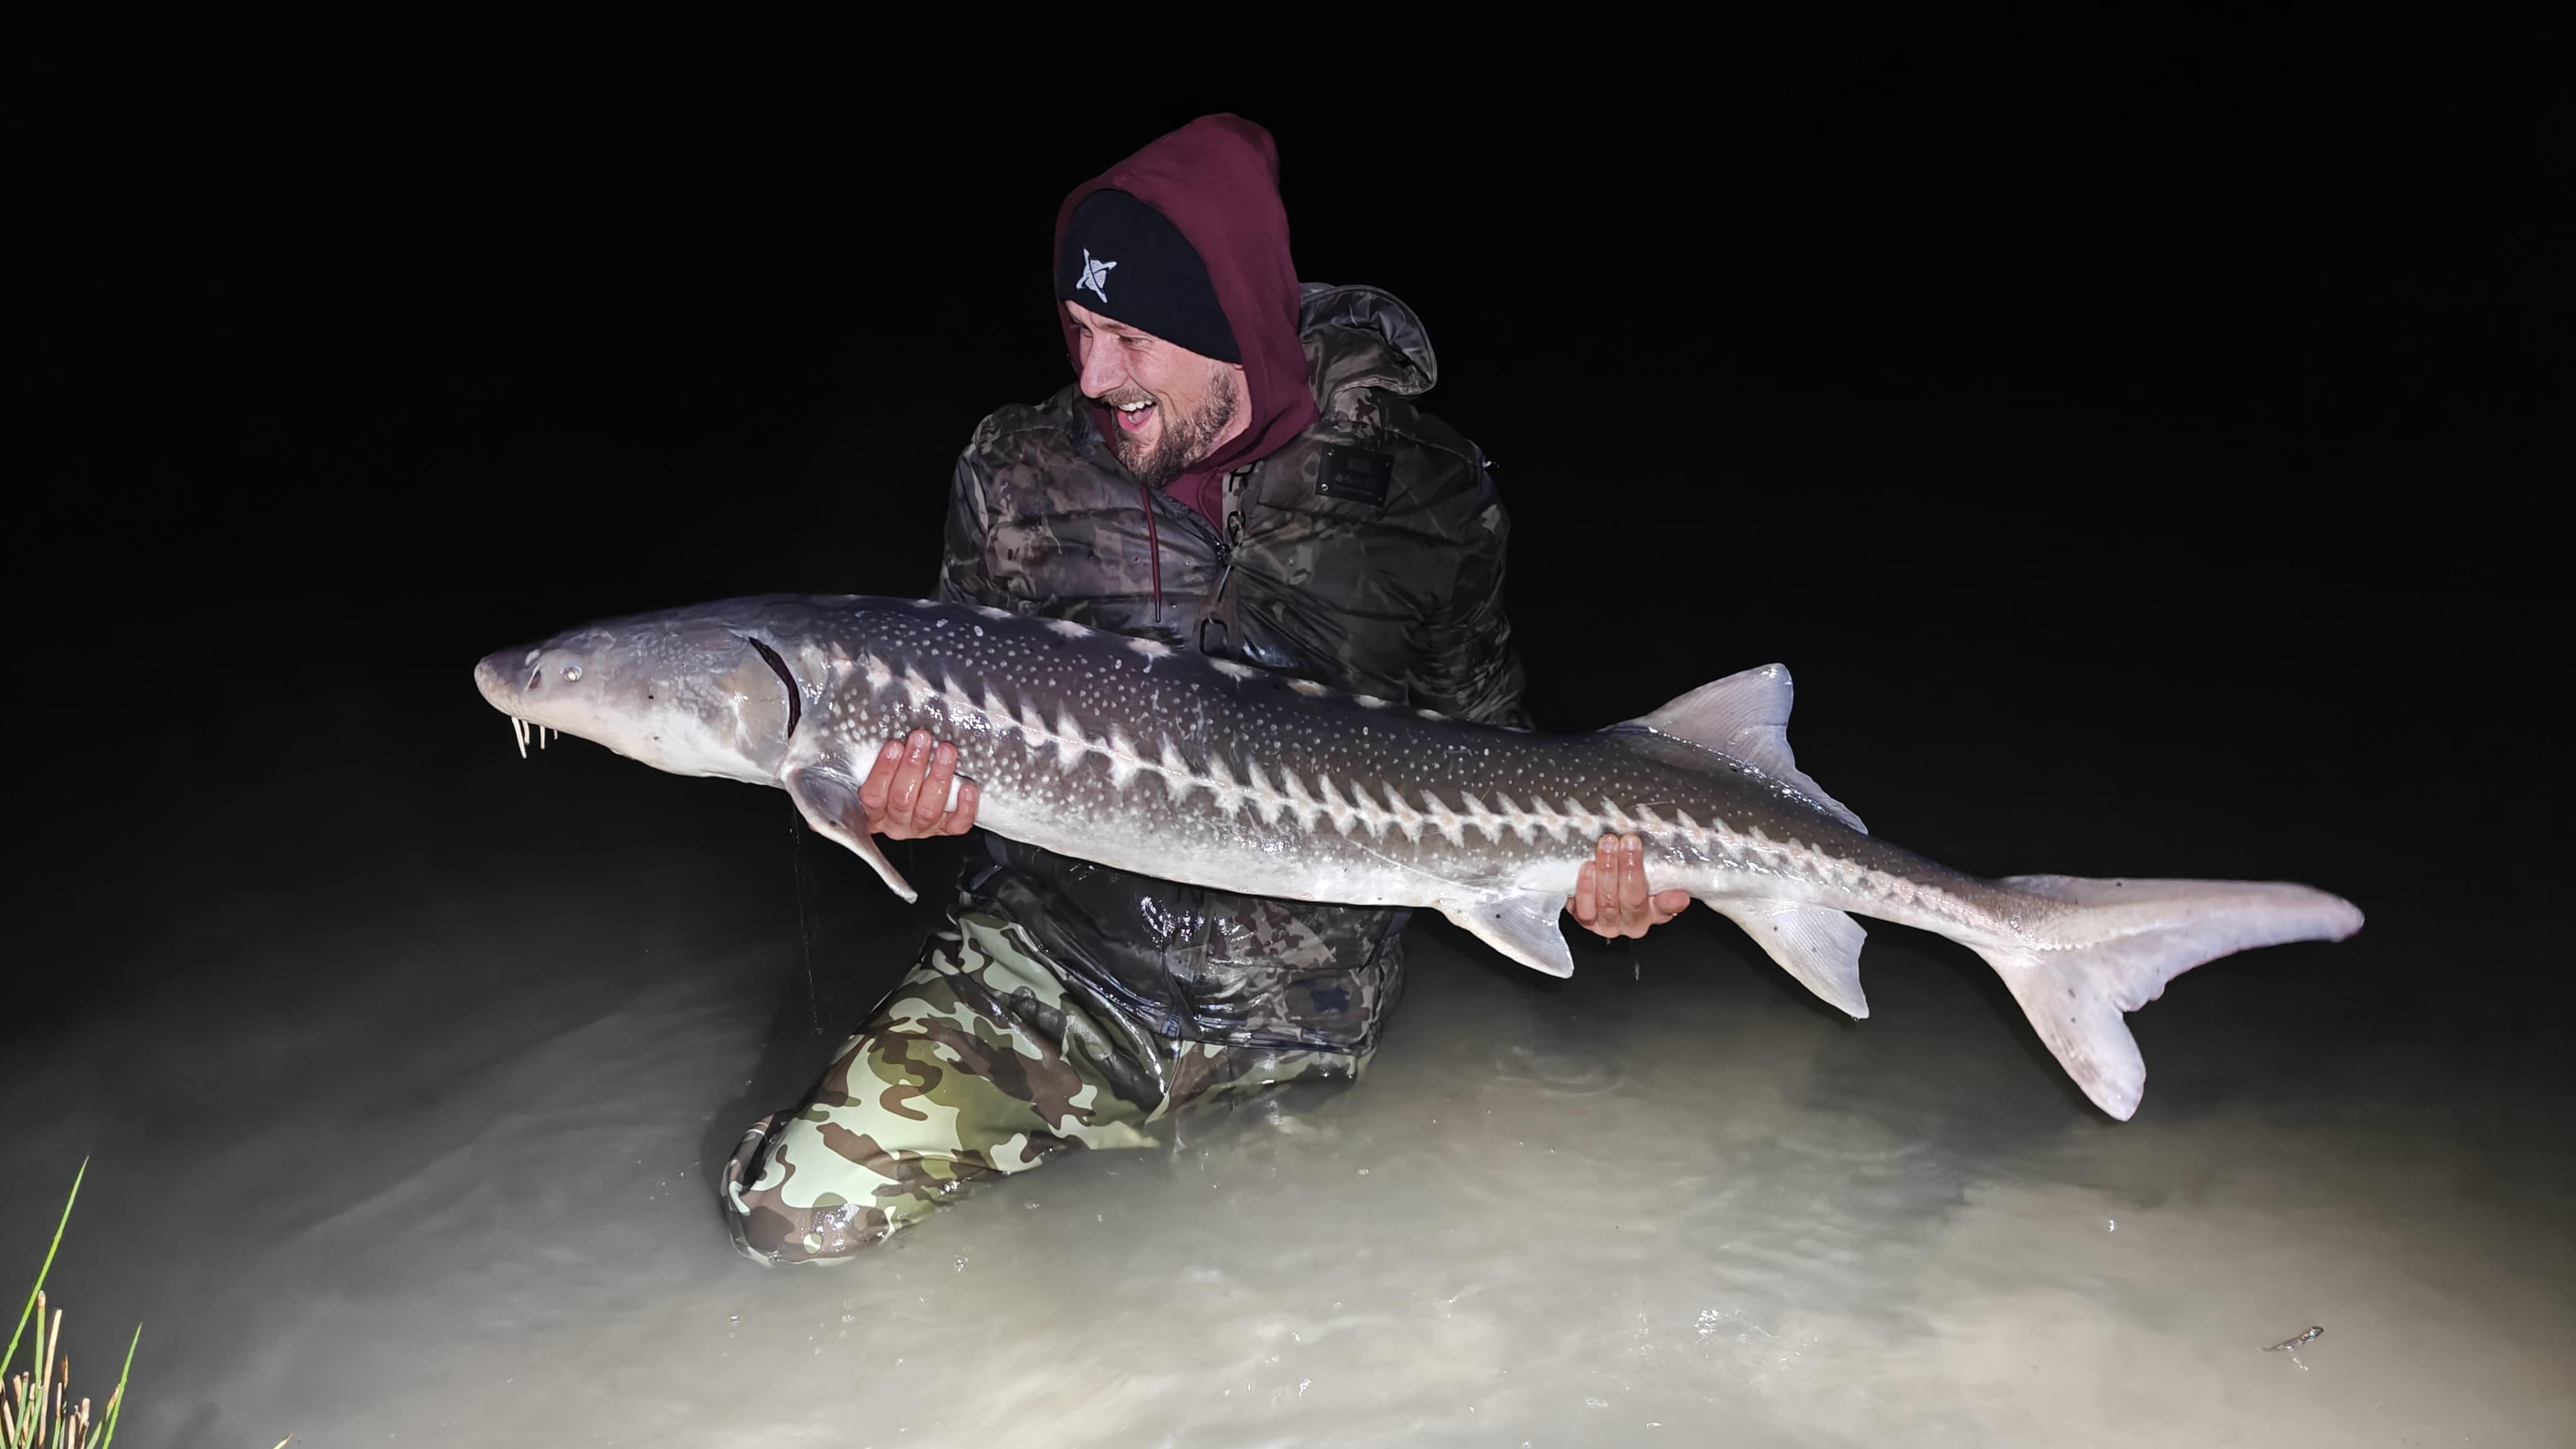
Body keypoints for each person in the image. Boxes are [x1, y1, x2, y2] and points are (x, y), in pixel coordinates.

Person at [721, 114, 1687, 1267]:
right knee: (789, 1221)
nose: (1095, 376)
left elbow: (1485, 741)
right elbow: (935, 717)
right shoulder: (1015, 470)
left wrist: (1586, 884)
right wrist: (896, 804)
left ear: (1234, 323)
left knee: (1286, 1310)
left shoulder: (1423, 491)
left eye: (1131, 337)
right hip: (1052, 968)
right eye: (1080, 330)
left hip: (1300, 1008)